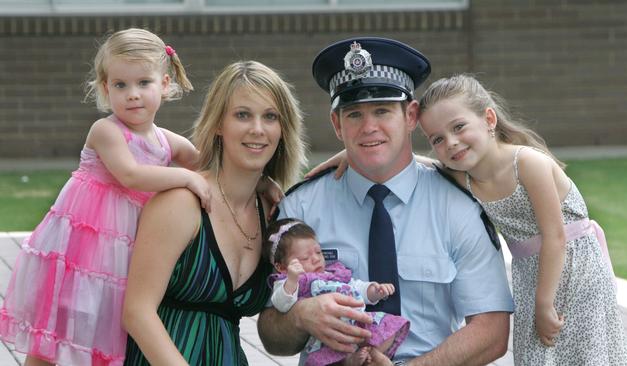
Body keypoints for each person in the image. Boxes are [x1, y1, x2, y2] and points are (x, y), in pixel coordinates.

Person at [257, 37, 514, 365]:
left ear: (410, 116)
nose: (369, 127)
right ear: (337, 124)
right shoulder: (301, 211)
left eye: (382, 110)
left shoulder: (458, 208)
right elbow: (271, 336)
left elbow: (491, 332)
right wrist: (300, 316)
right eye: (353, 115)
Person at [0, 27, 211, 366]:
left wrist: (259, 183)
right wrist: (187, 178)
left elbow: (206, 162)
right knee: (57, 331)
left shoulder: (164, 140)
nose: (132, 94)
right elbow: (130, 175)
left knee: (100, 329)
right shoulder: (106, 131)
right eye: (120, 85)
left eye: (144, 83)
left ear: (165, 84)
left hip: (122, 250)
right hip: (83, 246)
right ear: (104, 88)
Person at [416, 74, 627, 365]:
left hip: (577, 270)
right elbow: (416, 164)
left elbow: (555, 237)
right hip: (531, 276)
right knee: (537, 356)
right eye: (438, 139)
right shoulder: (464, 177)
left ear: (489, 119)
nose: (451, 143)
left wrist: (545, 303)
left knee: (584, 354)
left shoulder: (528, 164)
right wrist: (349, 156)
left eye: (459, 127)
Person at [121, 60, 307, 365]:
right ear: (219, 124)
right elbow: (137, 312)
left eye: (270, 116)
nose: (257, 129)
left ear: (283, 129)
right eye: (243, 115)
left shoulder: (271, 212)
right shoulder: (181, 203)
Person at [265, 218, 410, 366]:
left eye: (318, 252)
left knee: (389, 329)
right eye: (305, 258)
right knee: (332, 356)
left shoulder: (332, 273)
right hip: (327, 335)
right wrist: (291, 280)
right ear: (281, 266)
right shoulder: (290, 281)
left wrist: (374, 291)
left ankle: (372, 353)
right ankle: (350, 360)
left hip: (359, 323)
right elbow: (281, 303)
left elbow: (354, 286)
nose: (316, 259)